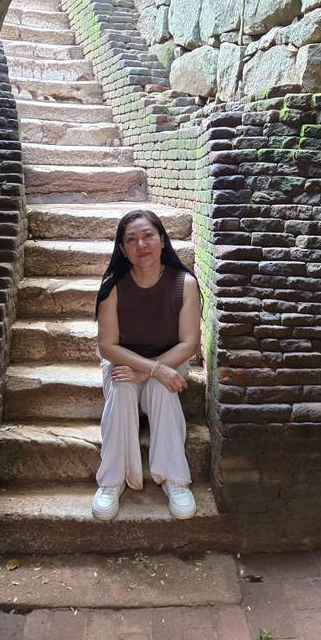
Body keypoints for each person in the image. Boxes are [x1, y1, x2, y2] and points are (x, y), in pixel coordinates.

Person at [92, 209, 202, 522]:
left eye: (148, 235)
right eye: (132, 239)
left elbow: (188, 343)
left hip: (170, 362)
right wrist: (147, 369)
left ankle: (175, 480)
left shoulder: (185, 283)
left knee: (163, 388)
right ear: (123, 249)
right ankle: (111, 481)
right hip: (124, 362)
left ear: (163, 240)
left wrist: (153, 370)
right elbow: (107, 346)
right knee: (124, 386)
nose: (141, 244)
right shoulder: (113, 285)